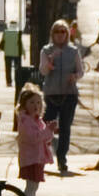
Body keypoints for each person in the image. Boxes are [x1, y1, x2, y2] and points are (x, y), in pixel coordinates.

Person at [39, 18, 84, 175]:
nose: (60, 34)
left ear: (67, 34)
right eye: (57, 31)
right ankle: (43, 155)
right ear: (52, 34)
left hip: (68, 94)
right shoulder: (46, 50)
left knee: (65, 127)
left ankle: (62, 158)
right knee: (46, 126)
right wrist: (50, 60)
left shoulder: (73, 51)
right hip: (51, 94)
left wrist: (75, 76)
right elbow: (43, 71)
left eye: (63, 31)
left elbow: (81, 71)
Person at [16, 83, 58, 196]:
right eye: (32, 102)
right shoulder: (25, 120)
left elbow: (43, 139)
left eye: (38, 102)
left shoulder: (36, 120)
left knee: (34, 187)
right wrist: (47, 131)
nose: (36, 105)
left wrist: (49, 130)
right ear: (24, 105)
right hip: (30, 159)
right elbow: (33, 138)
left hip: (37, 158)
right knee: (31, 186)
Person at [0, 22, 23, 88]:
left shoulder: (6, 32)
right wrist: (23, 52)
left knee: (8, 68)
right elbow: (20, 43)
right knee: (16, 68)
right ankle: (17, 80)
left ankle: (9, 82)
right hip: (16, 53)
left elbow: (3, 40)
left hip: (7, 53)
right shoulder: (17, 33)